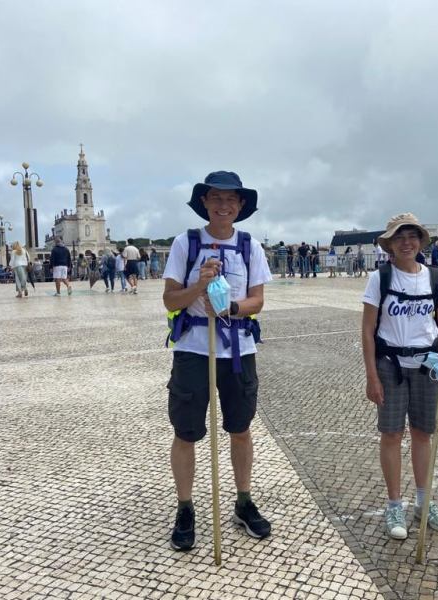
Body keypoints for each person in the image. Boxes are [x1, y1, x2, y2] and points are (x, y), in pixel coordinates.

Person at [162, 170, 273, 551]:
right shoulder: (185, 243)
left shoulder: (249, 246)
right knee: (186, 431)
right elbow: (170, 300)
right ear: (205, 203)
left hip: (238, 351)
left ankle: (243, 500)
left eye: (231, 199)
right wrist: (199, 286)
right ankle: (185, 507)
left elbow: (258, 300)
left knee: (240, 428)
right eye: (216, 198)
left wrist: (231, 307)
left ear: (241, 206)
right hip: (193, 349)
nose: (223, 205)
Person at [361, 213, 438, 540]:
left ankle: (423, 500)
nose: (406, 242)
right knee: (391, 434)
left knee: (423, 433)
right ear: (389, 243)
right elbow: (367, 329)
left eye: (412, 236)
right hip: (390, 365)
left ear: (419, 241)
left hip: (428, 364)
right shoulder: (380, 278)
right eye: (399, 237)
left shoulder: (434, 277)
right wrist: (371, 375)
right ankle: (393, 505)